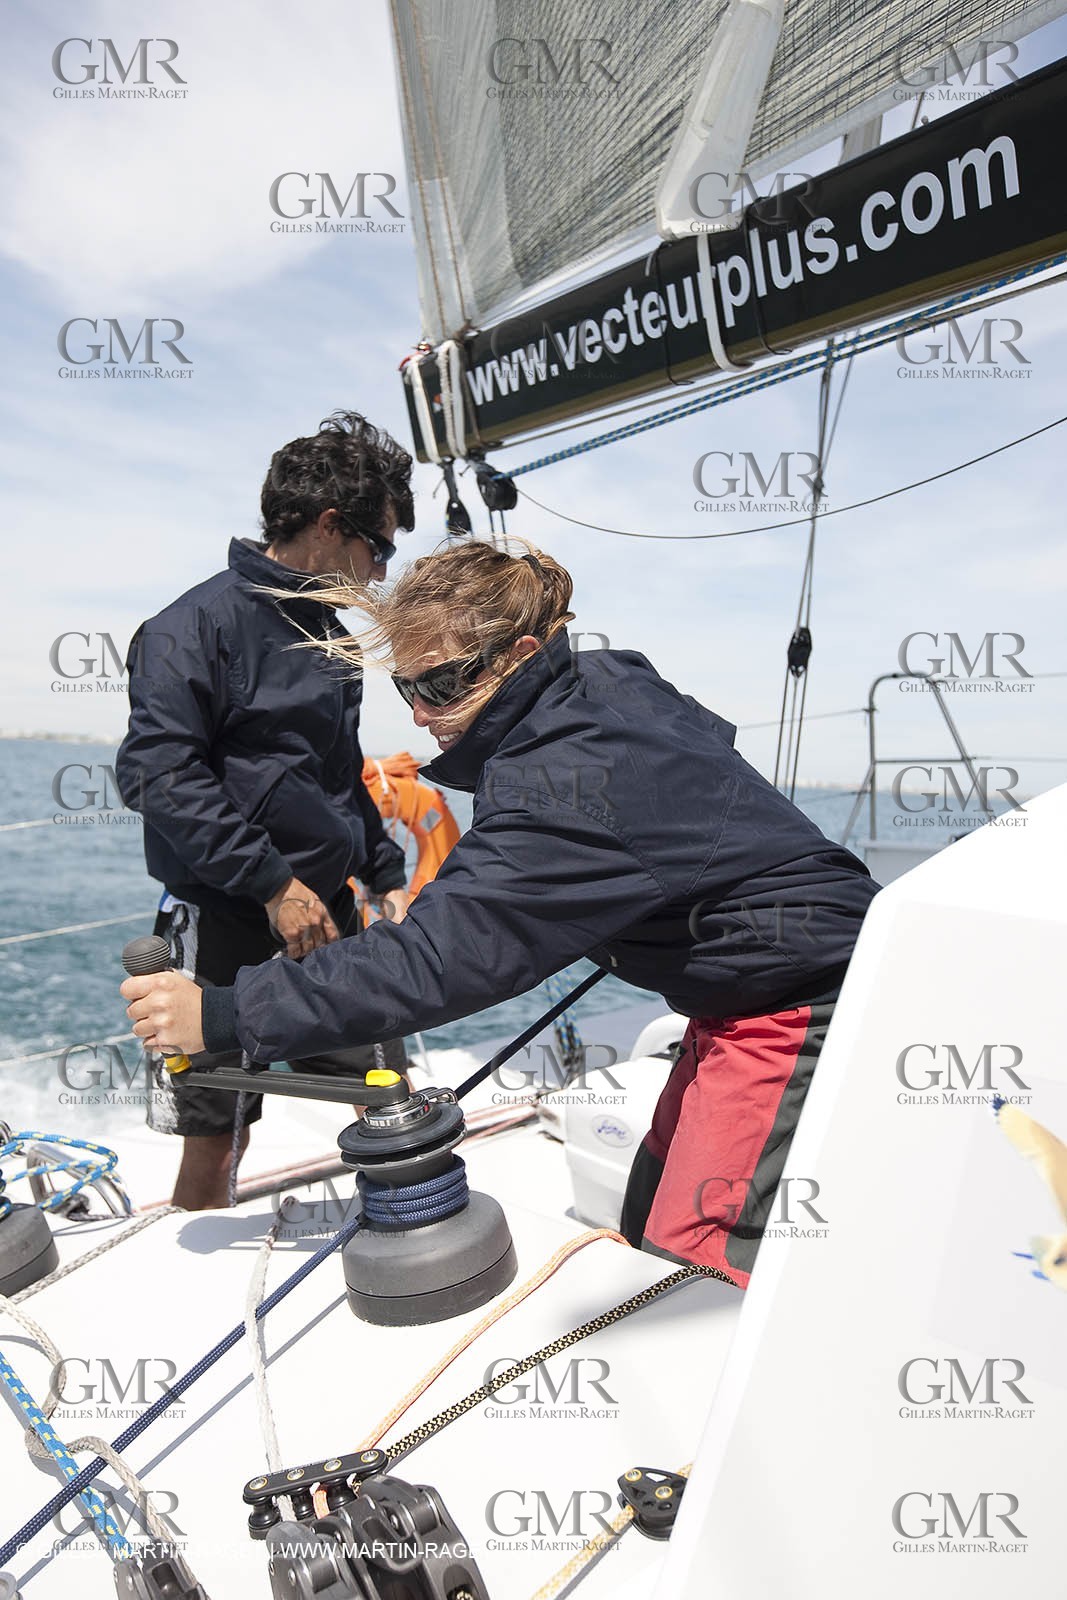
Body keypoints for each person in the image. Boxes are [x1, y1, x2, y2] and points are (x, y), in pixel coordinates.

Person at [121, 541, 879, 1283]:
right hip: (739, 1000)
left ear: (518, 654)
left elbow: (437, 958)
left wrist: (222, 1014)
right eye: (405, 689)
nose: (419, 716)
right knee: (646, 1213)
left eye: (442, 687)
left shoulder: (563, 779)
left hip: (802, 1004)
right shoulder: (602, 685)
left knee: (689, 1267)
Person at [116, 410, 415, 1209]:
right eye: (376, 547)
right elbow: (155, 770)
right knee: (219, 1133)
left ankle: (417, 1240)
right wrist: (272, 885)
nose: (380, 572)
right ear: (327, 526)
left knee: (387, 1094)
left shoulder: (330, 636)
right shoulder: (192, 627)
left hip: (327, 920)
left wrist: (382, 866)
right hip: (228, 919)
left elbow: (337, 772)